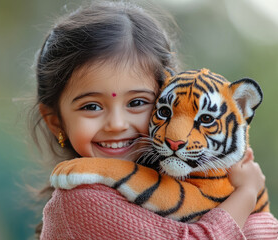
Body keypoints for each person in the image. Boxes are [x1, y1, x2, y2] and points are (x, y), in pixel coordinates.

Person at [29, 1, 278, 239]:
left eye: (137, 102)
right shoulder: (80, 200)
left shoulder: (178, 177)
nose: (116, 124)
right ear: (56, 122)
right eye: (91, 106)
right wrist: (246, 194)